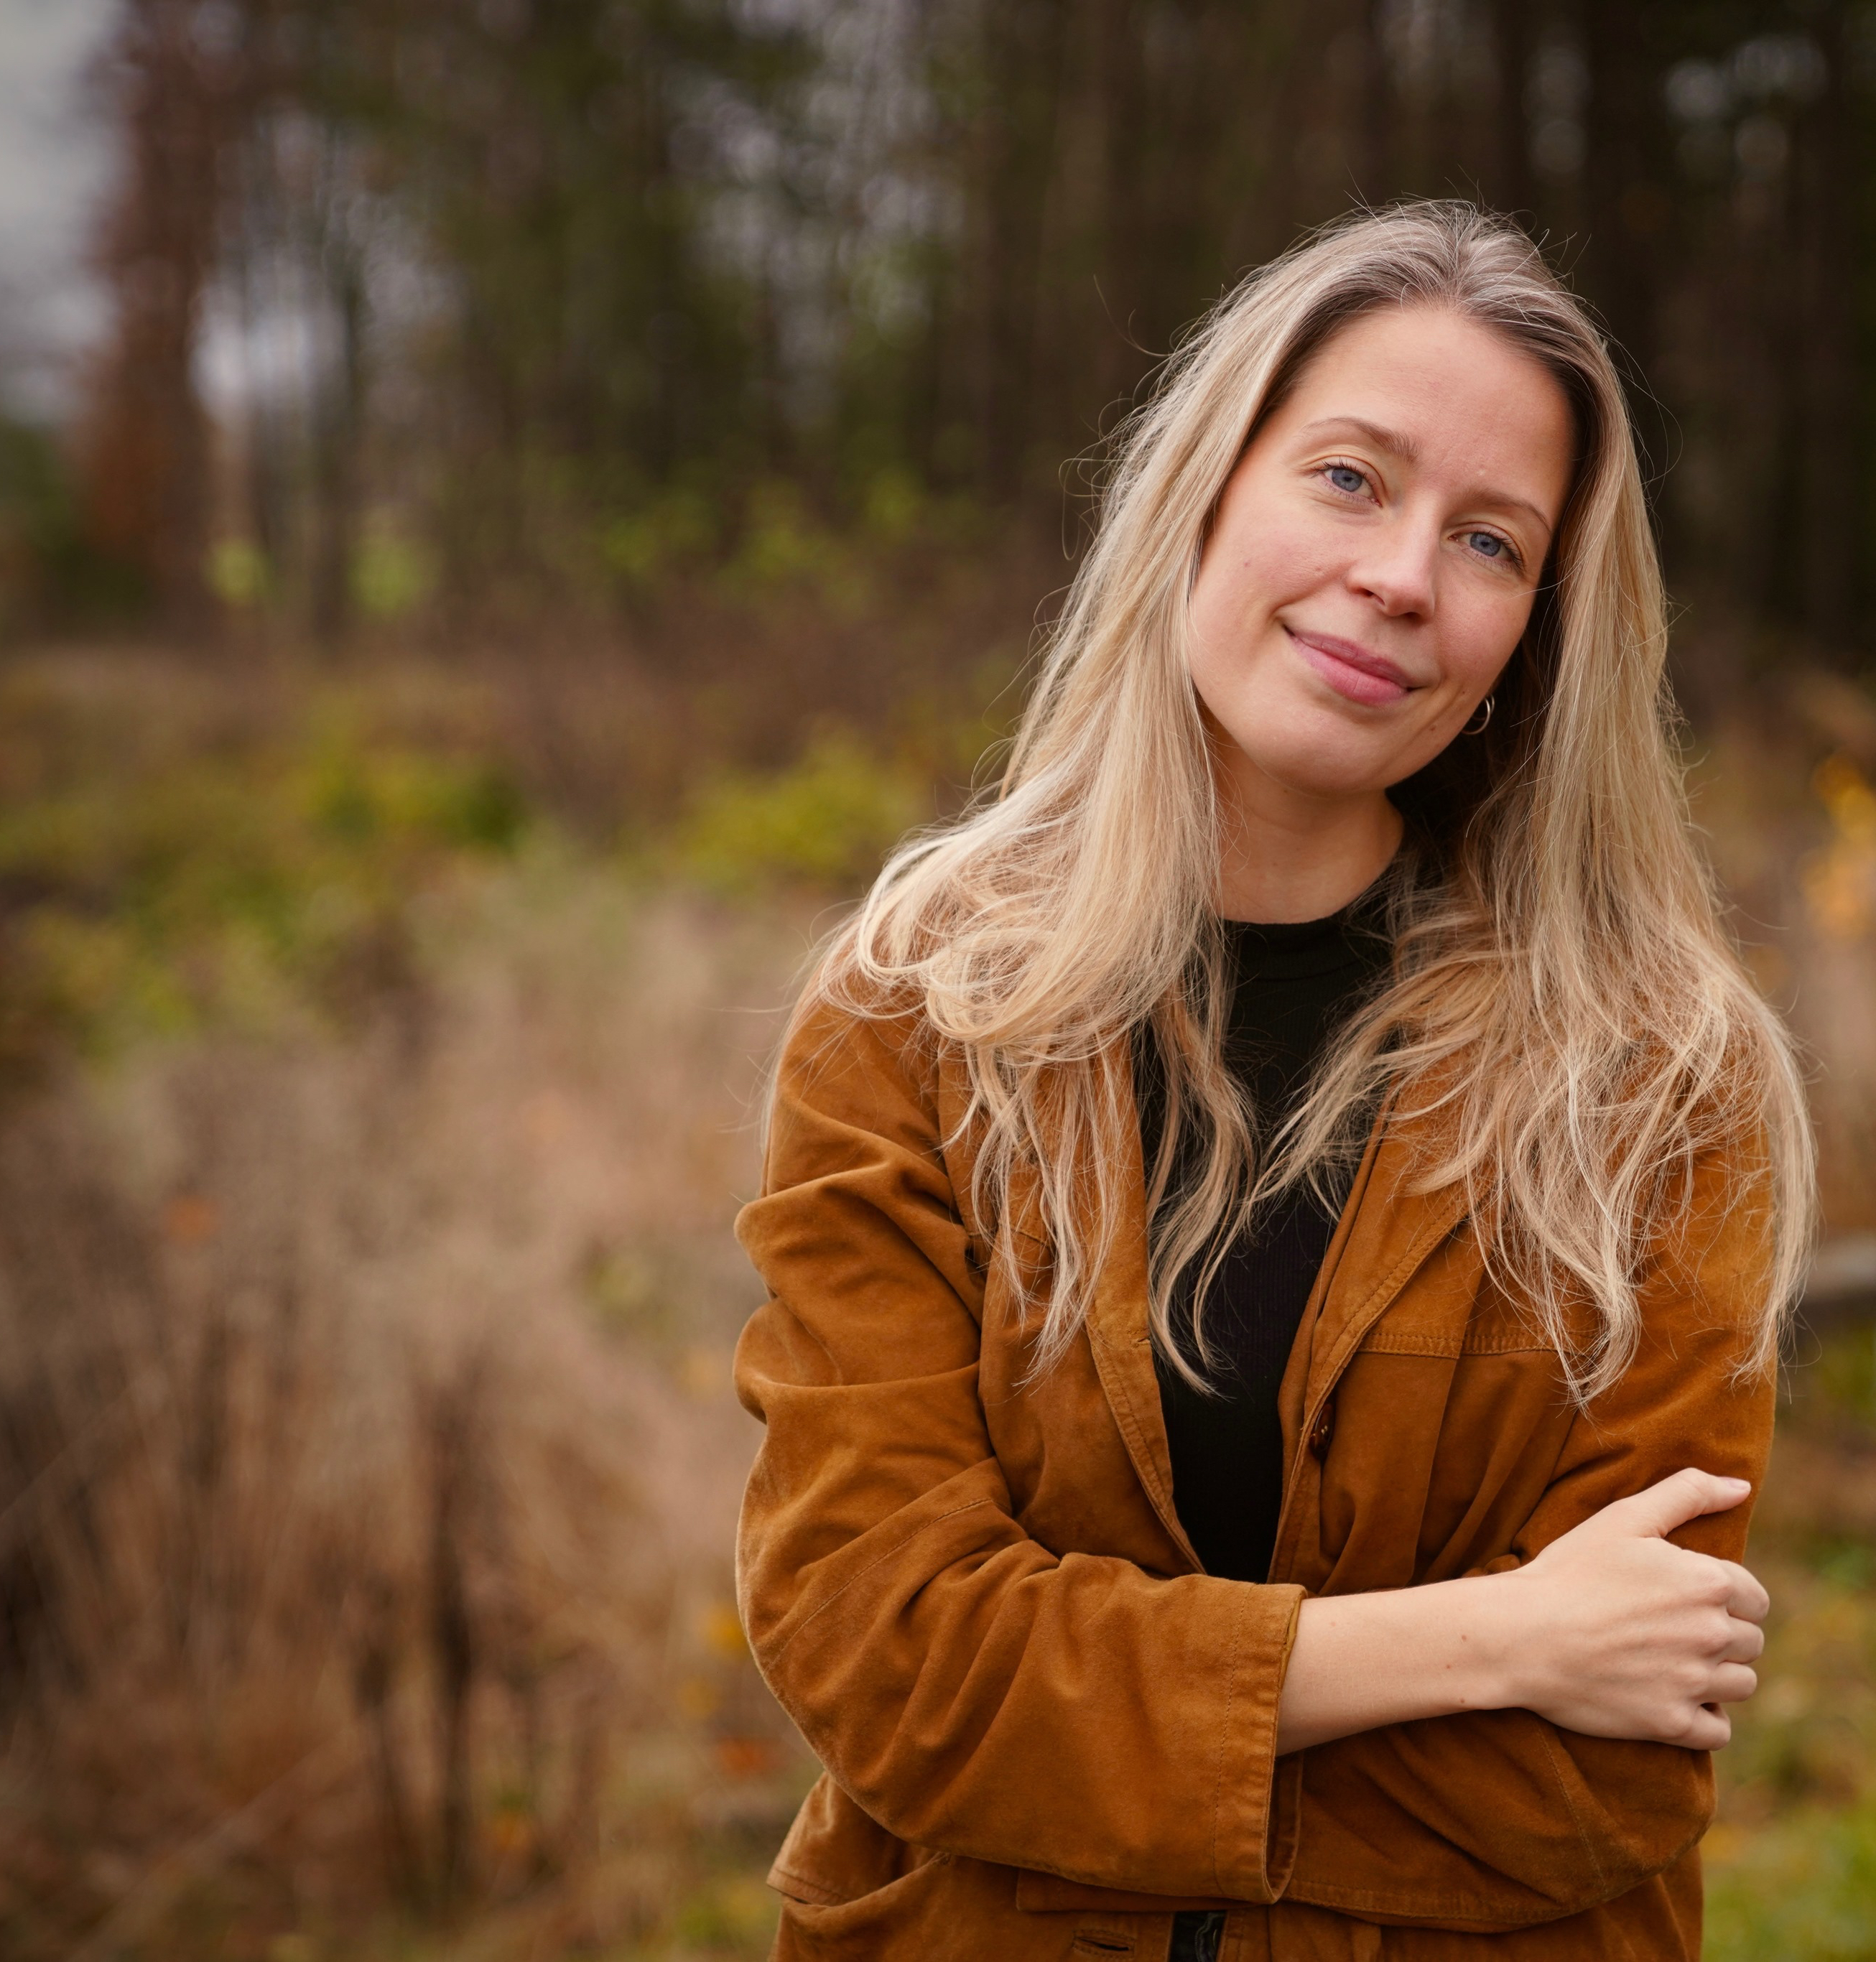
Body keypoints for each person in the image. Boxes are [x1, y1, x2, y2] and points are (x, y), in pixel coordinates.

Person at [732, 203, 1813, 1961]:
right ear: (1207, 493)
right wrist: (1499, 1641)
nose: (1400, 574)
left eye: (1486, 538)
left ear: (1533, 632)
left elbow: (1603, 1774)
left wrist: (1077, 1766)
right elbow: (883, 1654)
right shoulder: (915, 1012)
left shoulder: (1649, 1081)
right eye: (1346, 478)